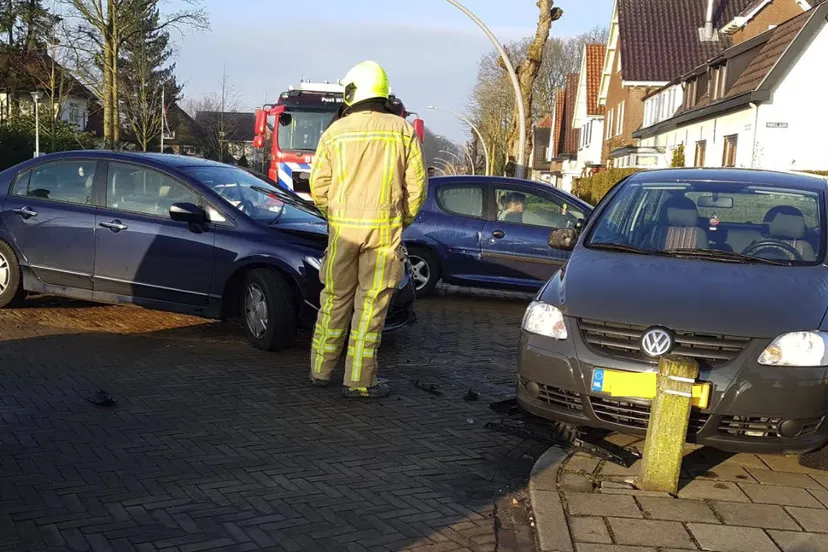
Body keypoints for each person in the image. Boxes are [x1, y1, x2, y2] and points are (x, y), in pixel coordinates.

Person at [308, 60, 427, 399]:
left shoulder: (334, 132)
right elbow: (416, 188)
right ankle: (359, 381)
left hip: (342, 232)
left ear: (352, 93)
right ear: (383, 94)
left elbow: (319, 186)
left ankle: (320, 370)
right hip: (382, 233)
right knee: (370, 305)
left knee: (333, 299)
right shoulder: (401, 129)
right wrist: (400, 219)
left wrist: (336, 214)